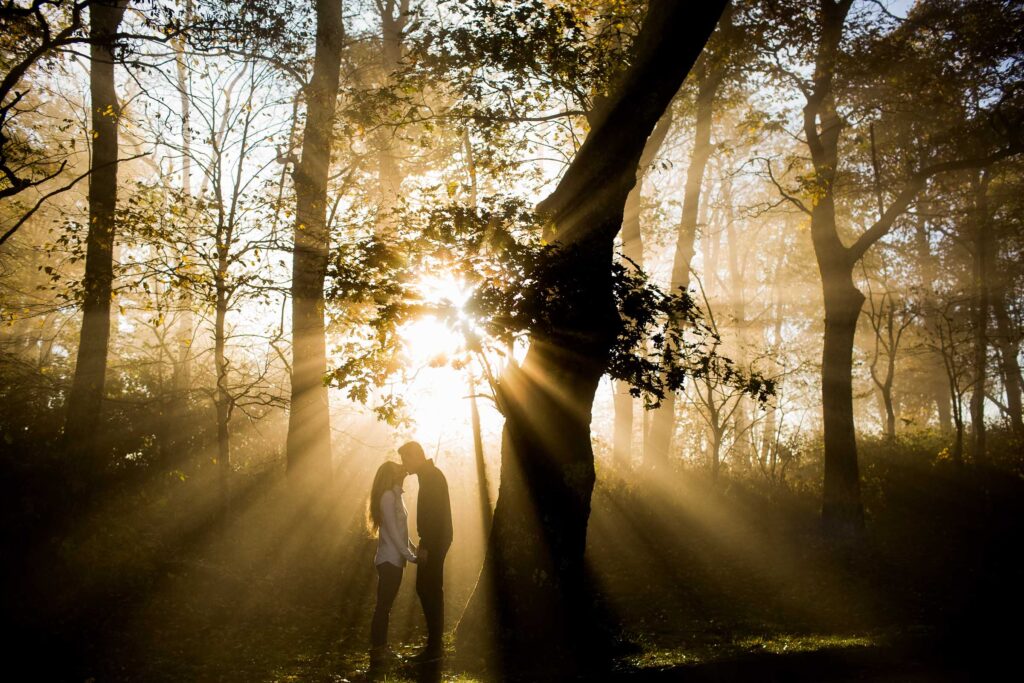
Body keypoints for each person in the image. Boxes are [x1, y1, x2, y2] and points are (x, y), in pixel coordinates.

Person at [398, 441, 453, 661]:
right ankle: (434, 644)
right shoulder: (429, 474)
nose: (404, 465)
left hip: (435, 540)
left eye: (405, 459)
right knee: (428, 587)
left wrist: (427, 546)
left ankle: (434, 647)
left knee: (427, 587)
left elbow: (434, 515)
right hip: (435, 539)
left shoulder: (431, 476)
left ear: (416, 456)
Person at [368, 460, 417, 667]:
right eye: (397, 467)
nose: (402, 467)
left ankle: (380, 648)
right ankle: (378, 651)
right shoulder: (388, 497)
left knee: (385, 606)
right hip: (388, 559)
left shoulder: (396, 496)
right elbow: (394, 532)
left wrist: (413, 548)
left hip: (395, 559)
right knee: (383, 606)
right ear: (390, 474)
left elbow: (402, 531)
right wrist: (411, 556)